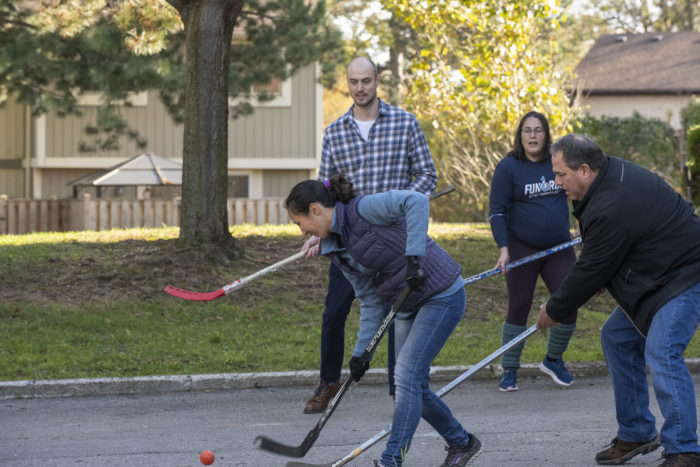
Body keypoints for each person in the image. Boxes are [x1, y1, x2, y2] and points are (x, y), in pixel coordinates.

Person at [286, 174, 481, 467]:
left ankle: (391, 461)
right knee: (413, 385)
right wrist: (360, 354)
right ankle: (462, 443)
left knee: (405, 376)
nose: (302, 231)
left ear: (315, 210)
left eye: (298, 222)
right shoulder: (337, 248)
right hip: (405, 304)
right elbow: (370, 301)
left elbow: (415, 201)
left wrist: (414, 257)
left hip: (441, 294)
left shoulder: (364, 208)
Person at [536, 133, 700, 466]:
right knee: (616, 337)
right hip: (656, 273)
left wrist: (553, 310)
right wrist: (599, 274)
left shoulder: (611, 204)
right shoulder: (606, 176)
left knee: (663, 351)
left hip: (685, 272)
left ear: (584, 170)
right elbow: (605, 254)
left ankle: (684, 449)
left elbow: (590, 271)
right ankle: (637, 431)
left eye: (561, 174)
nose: (556, 182)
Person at [300, 56, 438, 414]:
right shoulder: (334, 132)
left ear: (378, 80)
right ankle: (329, 381)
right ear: (348, 84)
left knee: (398, 312)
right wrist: (319, 232)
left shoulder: (405, 123)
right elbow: (324, 191)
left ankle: (398, 389)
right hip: (350, 244)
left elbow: (427, 175)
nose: (360, 88)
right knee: (334, 313)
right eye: (353, 82)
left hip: (393, 244)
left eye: (366, 80)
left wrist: (400, 207)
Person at [488, 111, 578, 392]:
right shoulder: (508, 167)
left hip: (558, 248)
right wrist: (504, 249)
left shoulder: (558, 162)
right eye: (527, 130)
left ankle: (553, 360)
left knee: (569, 301)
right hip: (521, 249)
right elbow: (497, 212)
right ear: (520, 135)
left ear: (546, 134)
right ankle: (510, 369)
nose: (533, 136)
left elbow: (578, 196)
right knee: (518, 306)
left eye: (538, 130)